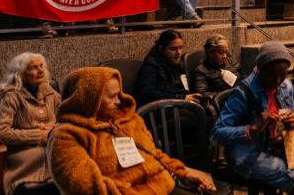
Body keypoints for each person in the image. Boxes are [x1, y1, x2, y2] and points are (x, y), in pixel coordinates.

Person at [47, 67, 211, 195]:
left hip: (164, 185)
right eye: (112, 97)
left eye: (119, 94)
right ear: (89, 100)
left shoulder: (130, 121)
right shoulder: (67, 136)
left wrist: (182, 175)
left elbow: (154, 155)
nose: (119, 101)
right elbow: (85, 187)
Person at [211, 41, 294, 195]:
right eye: (271, 76)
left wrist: (293, 125)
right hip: (251, 155)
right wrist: (251, 129)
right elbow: (216, 133)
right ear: (259, 71)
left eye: (282, 75)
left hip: (282, 149)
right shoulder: (242, 94)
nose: (276, 81)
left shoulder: (286, 86)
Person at [0, 53, 60, 195]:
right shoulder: (11, 96)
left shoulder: (51, 93)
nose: (40, 70)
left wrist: (54, 130)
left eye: (41, 66)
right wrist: (39, 135)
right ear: (20, 73)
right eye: (33, 67)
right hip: (24, 162)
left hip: (55, 156)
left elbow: (66, 119)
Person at [134, 30, 201, 107]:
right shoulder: (151, 65)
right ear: (161, 49)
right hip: (161, 110)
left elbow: (185, 90)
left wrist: (196, 100)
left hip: (178, 106)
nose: (178, 52)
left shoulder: (180, 65)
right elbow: (146, 93)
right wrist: (181, 98)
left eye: (180, 48)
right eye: (173, 49)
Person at [192, 34, 241, 103]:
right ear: (210, 53)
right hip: (225, 102)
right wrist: (228, 94)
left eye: (226, 52)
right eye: (221, 53)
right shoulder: (201, 70)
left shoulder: (230, 62)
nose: (225, 56)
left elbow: (244, 78)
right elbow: (202, 93)